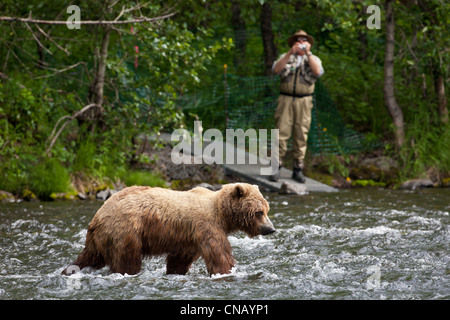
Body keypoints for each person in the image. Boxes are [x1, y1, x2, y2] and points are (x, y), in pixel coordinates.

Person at [269, 30, 324, 183]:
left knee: (301, 134)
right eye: (298, 41)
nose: (300, 43)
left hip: (304, 101)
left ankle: (298, 169)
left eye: (303, 41)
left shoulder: (314, 58)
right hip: (285, 99)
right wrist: (289, 53)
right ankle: (276, 167)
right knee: (281, 133)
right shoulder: (285, 57)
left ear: (308, 43)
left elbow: (317, 72)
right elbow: (276, 70)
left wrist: (308, 54)